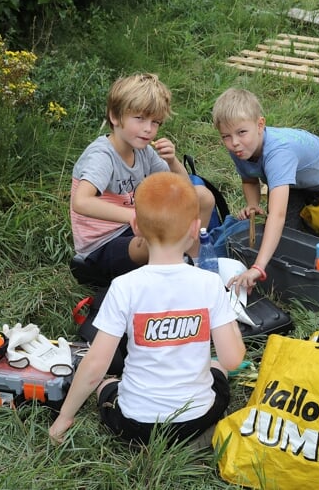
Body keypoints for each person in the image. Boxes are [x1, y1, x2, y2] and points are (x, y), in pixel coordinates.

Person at [50, 172, 246, 446]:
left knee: (106, 385)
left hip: (136, 425)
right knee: (217, 367)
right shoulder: (210, 283)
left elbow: (95, 365)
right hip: (196, 420)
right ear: (194, 228)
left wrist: (64, 418)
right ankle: (200, 437)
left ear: (136, 226)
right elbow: (234, 359)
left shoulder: (123, 286)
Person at [70, 73, 215, 280]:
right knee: (160, 240)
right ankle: (174, 263)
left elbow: (186, 190)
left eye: (155, 122)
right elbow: (81, 202)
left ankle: (193, 264)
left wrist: (172, 161)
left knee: (202, 196)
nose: (148, 129)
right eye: (139, 118)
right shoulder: (102, 156)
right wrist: (133, 217)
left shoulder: (143, 151)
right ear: (115, 116)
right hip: (102, 245)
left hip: (136, 227)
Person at [212, 87, 319, 292]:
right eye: (226, 136)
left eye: (241, 132)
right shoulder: (239, 147)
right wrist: (252, 204)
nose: (234, 143)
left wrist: (258, 267)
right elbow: (249, 179)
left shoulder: (278, 154)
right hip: (295, 184)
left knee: (312, 236)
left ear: (260, 125)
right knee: (285, 238)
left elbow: (277, 215)